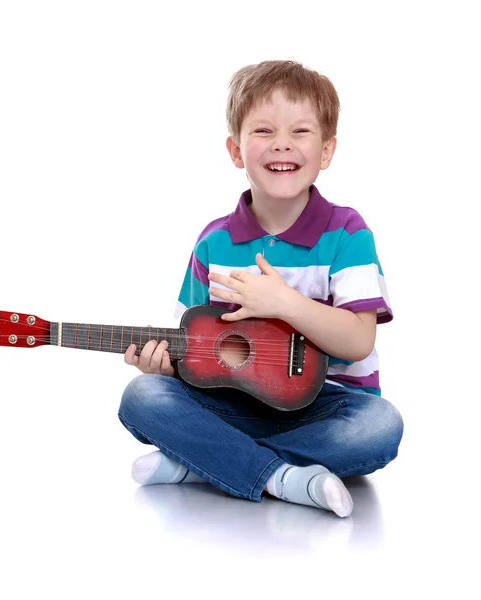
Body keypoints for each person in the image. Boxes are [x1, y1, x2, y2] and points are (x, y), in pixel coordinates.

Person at [118, 60, 404, 518]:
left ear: (327, 150)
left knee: (380, 425)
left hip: (327, 407)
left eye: (300, 132)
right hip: (237, 403)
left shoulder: (348, 233)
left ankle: (203, 463)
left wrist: (284, 303)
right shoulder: (214, 242)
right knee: (142, 398)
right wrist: (164, 369)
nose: (282, 144)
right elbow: (197, 351)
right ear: (236, 150)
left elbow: (358, 340)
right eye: (264, 130)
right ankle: (285, 478)